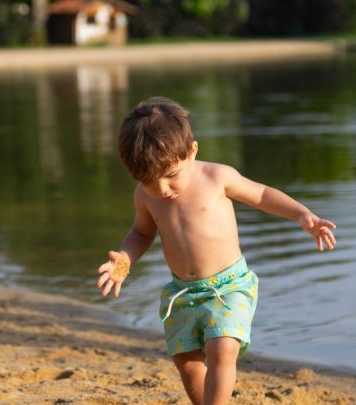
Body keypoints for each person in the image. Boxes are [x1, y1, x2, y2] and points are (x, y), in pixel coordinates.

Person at [96, 97, 337, 405]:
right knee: (187, 363)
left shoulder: (216, 177)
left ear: (192, 151)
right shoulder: (145, 196)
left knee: (221, 349)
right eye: (148, 181)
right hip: (182, 292)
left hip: (229, 287)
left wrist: (302, 215)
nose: (162, 189)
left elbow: (262, 195)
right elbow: (141, 233)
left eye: (170, 175)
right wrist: (125, 260)